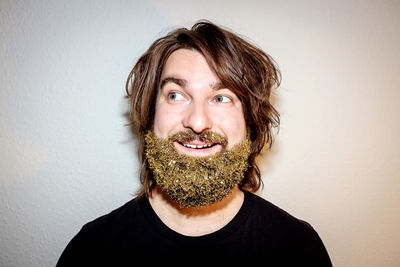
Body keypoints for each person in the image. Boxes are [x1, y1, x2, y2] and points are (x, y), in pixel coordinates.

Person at [57, 20, 332, 266]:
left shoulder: (297, 248)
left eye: (221, 98)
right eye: (176, 95)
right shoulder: (92, 249)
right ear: (149, 115)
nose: (198, 122)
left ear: (250, 124)